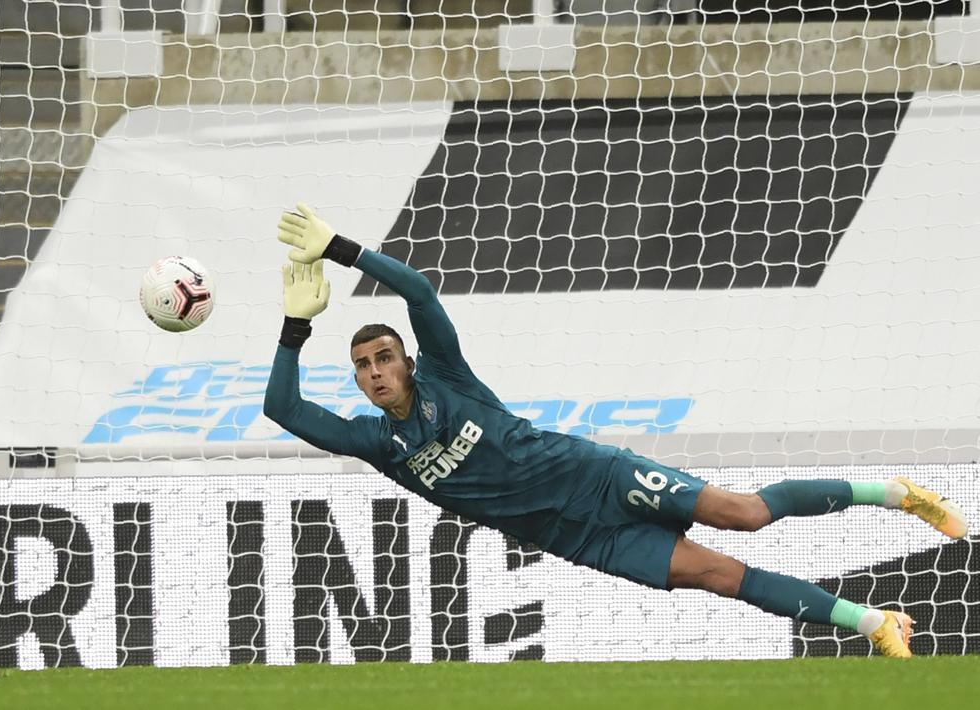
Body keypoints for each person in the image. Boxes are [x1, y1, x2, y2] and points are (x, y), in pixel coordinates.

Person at [263, 203, 969, 659]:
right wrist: (295, 326)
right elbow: (284, 410)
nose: (376, 371)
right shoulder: (376, 443)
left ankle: (896, 492)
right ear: (358, 381)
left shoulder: (446, 377)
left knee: (745, 513)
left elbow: (418, 292)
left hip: (597, 476)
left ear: (407, 361)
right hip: (578, 538)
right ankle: (874, 624)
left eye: (385, 356)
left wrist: (341, 249)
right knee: (721, 577)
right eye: (363, 366)